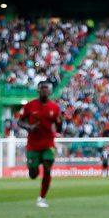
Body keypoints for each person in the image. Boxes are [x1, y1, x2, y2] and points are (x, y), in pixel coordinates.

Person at [18, 79, 63, 208]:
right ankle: (33, 168)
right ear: (38, 90)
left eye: (46, 88)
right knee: (33, 174)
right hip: (33, 145)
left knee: (48, 169)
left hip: (48, 144)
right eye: (42, 88)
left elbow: (59, 128)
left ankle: (42, 197)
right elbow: (20, 122)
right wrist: (29, 127)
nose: (44, 90)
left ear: (49, 91)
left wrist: (61, 122)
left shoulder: (54, 107)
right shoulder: (30, 105)